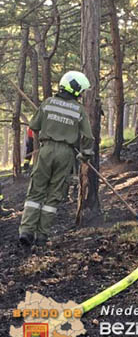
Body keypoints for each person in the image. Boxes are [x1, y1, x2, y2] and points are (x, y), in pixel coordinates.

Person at [18, 71, 95, 247]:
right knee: (53, 196)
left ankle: (26, 231)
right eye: (81, 90)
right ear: (75, 89)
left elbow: (33, 126)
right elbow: (88, 137)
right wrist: (85, 155)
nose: (82, 94)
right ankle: (42, 236)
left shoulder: (48, 103)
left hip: (45, 151)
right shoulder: (79, 110)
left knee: (36, 191)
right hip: (66, 154)